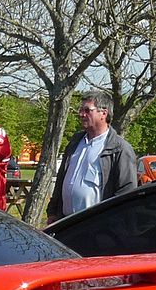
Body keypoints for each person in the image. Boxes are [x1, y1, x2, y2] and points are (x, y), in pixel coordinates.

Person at [47, 91, 138, 222]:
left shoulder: (119, 149)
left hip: (96, 228)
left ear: (104, 114)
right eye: (80, 109)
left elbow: (126, 193)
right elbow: (61, 181)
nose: (81, 114)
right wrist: (52, 213)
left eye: (87, 110)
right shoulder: (75, 143)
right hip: (65, 224)